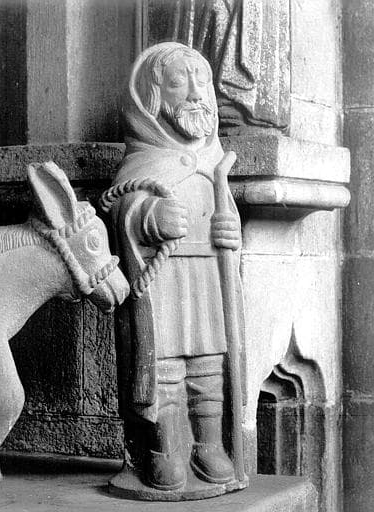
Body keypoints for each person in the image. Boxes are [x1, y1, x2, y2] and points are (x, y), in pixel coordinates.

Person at [103, 42, 243, 491]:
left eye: (202, 81)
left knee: (209, 362)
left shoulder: (213, 163)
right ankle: (164, 449)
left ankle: (208, 445)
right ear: (152, 98)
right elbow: (123, 208)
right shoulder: (145, 160)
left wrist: (230, 231)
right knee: (162, 363)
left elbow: (226, 218)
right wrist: (150, 218)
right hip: (161, 280)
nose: (196, 92)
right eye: (180, 82)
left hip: (205, 277)